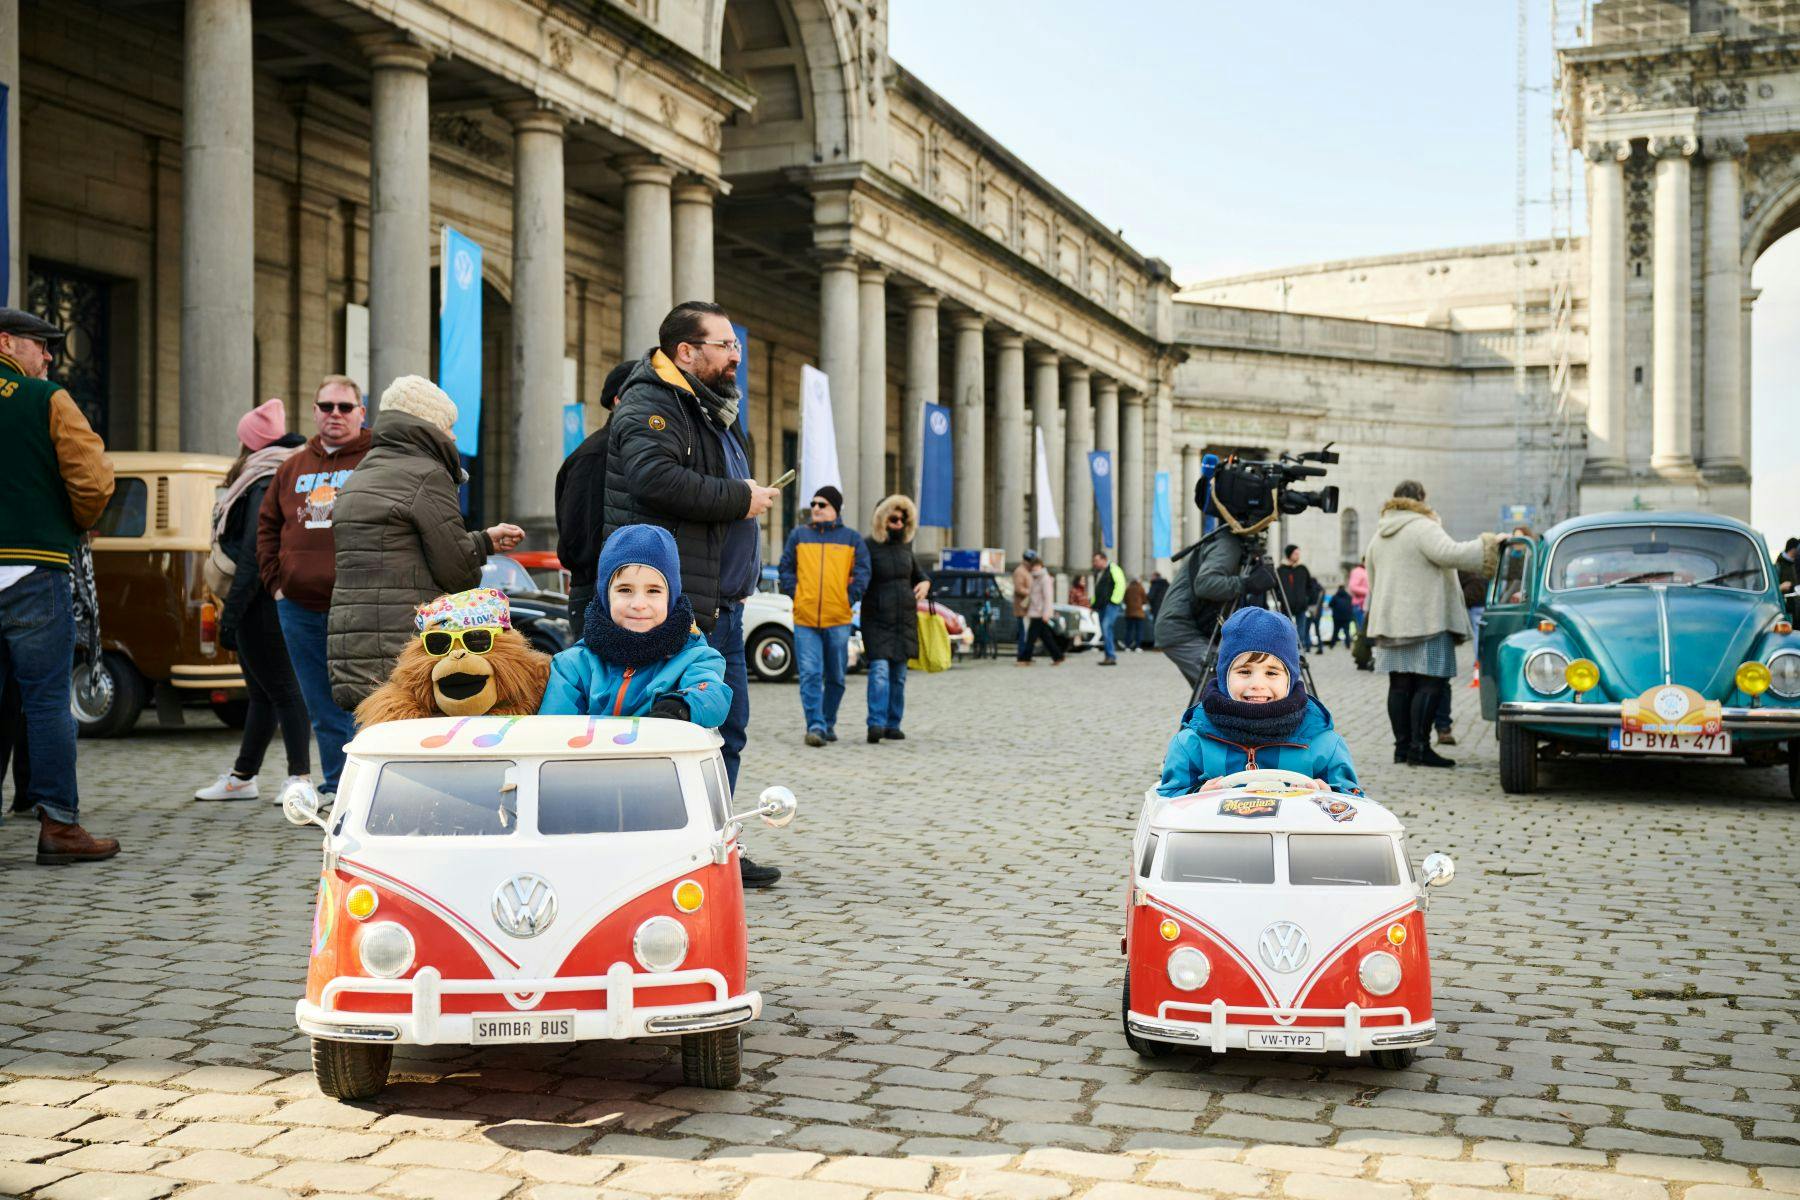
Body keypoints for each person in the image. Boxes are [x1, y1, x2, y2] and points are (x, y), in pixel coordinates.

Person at [603, 301, 781, 887]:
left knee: (726, 731)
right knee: (663, 732)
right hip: (676, 610)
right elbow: (654, 479)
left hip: (722, 605)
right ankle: (653, 854)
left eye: (735, 344)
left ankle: (715, 846)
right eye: (725, 344)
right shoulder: (652, 402)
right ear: (686, 352)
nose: (736, 355)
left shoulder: (713, 411)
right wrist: (740, 497)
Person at [327, 375, 524, 712]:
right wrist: (477, 549)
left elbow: (400, 552)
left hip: (350, 652)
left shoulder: (359, 476)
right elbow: (458, 573)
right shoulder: (427, 475)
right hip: (405, 656)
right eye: (449, 426)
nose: (454, 436)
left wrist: (483, 541)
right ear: (429, 427)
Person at [0, 307, 118, 863]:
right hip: (33, 566)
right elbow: (93, 484)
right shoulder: (47, 400)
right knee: (47, 702)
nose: (48, 355)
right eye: (38, 345)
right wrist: (67, 519)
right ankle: (60, 828)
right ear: (7, 343)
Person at [257, 375, 373, 798]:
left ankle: (370, 790)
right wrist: (277, 584)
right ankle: (336, 787)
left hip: (358, 605)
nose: (335, 415)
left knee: (366, 699)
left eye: (345, 407)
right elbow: (267, 527)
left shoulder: (376, 459)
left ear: (362, 412)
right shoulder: (292, 467)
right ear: (314, 412)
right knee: (321, 705)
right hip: (299, 606)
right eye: (326, 407)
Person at [195, 399, 312, 801]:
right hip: (261, 598)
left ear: (251, 442)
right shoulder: (275, 472)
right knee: (263, 691)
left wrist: (232, 614)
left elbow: (252, 554)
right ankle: (244, 776)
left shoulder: (264, 480)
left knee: (283, 687)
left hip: (261, 599)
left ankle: (300, 778)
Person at [1156, 607, 1361, 798]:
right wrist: (1194, 794)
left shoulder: (1323, 743)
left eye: (1272, 673)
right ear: (1223, 676)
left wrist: (1331, 794)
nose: (1257, 684)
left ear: (1290, 679)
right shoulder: (1192, 742)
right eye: (1244, 671)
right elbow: (1167, 798)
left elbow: (1354, 802)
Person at [1364, 480, 1498, 769]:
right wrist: (1489, 546)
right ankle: (1419, 748)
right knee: (1431, 682)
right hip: (1426, 619)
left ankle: (1401, 749)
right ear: (1422, 499)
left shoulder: (1380, 533)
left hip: (1391, 621)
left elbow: (1371, 575)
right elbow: (1451, 554)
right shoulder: (1423, 526)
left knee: (1399, 684)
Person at [538, 525, 729, 724]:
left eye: (654, 591)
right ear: (606, 596)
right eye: (625, 590)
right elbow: (553, 726)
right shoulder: (575, 664)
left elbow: (712, 694)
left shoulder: (694, 658)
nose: (638, 604)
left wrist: (682, 706)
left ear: (671, 598)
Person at [779, 485, 869, 747]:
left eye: (822, 504)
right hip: (805, 618)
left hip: (838, 618)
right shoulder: (798, 535)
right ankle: (815, 726)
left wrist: (848, 598)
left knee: (836, 678)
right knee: (809, 674)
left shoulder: (852, 539)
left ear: (835, 509)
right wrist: (796, 593)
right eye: (814, 504)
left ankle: (828, 722)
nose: (815, 509)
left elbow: (863, 572)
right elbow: (786, 568)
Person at [554, 360, 634, 641]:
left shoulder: (629, 451)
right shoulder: (595, 454)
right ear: (618, 400)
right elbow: (578, 539)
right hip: (598, 595)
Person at [1154, 527, 1280, 689]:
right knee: (1226, 685)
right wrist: (1246, 584)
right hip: (1181, 629)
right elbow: (1205, 584)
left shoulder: (1227, 542)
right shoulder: (1227, 543)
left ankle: (1208, 712)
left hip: (1188, 626)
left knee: (1213, 690)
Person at [861, 495, 929, 742]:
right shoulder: (867, 546)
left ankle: (893, 723)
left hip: (903, 622)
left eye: (902, 518)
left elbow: (920, 575)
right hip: (876, 620)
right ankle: (875, 723)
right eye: (893, 517)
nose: (898, 522)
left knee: (898, 677)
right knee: (879, 672)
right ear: (883, 519)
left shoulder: (906, 548)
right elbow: (859, 577)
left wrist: (925, 583)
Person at [1016, 555, 1064, 665]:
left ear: (1041, 566)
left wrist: (1046, 613)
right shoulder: (1034, 577)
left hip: (1040, 612)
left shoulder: (1044, 578)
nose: (1034, 568)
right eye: (1033, 566)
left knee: (1031, 638)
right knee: (1046, 637)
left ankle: (1025, 659)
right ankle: (1058, 656)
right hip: (1035, 611)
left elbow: (1048, 598)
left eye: (1037, 566)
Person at [1091, 551, 1126, 665]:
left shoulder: (1113, 568)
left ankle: (1111, 655)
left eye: (1096, 560)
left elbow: (1120, 584)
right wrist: (1094, 604)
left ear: (1103, 559)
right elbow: (1097, 590)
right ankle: (1108, 656)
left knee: (1106, 627)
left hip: (1110, 605)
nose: (1094, 563)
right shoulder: (1099, 572)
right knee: (1106, 630)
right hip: (1102, 606)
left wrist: (1114, 601)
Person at [1011, 553, 1035, 660]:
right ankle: (1021, 655)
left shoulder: (1027, 571)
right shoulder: (1020, 571)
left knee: (1026, 633)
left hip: (1028, 607)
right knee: (1023, 633)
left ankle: (1025, 654)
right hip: (1022, 607)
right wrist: (1031, 592)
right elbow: (1019, 589)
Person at [1121, 576, 1148, 651]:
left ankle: (1127, 646)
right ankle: (1138, 647)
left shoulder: (1128, 588)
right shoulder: (1141, 588)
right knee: (1139, 630)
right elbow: (1145, 600)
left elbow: (1124, 600)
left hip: (1129, 613)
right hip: (1139, 613)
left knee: (1129, 630)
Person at [1145, 570, 1168, 649]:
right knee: (1164, 626)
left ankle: (1158, 645)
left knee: (1156, 627)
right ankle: (1165, 644)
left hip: (1156, 608)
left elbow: (1150, 596)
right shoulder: (1166, 584)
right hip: (1166, 608)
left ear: (1155, 577)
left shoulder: (1155, 584)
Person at [1327, 583, 1354, 649]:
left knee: (1335, 631)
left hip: (1337, 617)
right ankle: (1348, 645)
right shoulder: (1349, 596)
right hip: (1346, 617)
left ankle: (1332, 645)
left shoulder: (1335, 596)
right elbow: (1351, 606)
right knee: (1347, 631)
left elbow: (1330, 605)